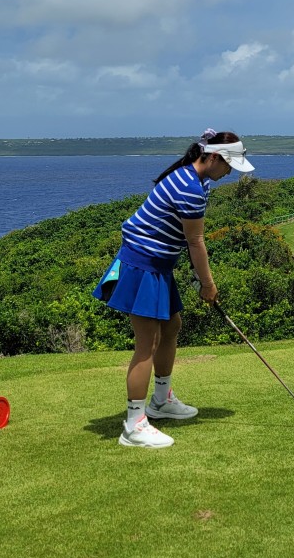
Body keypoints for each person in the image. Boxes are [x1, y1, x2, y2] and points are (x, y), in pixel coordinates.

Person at [92, 128, 255, 449]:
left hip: (158, 266)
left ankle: (161, 400)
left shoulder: (194, 180)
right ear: (211, 157)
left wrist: (198, 276)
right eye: (228, 166)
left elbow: (182, 239)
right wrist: (207, 283)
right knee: (147, 343)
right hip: (142, 265)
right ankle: (134, 425)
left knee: (172, 327)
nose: (229, 173)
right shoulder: (190, 188)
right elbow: (195, 241)